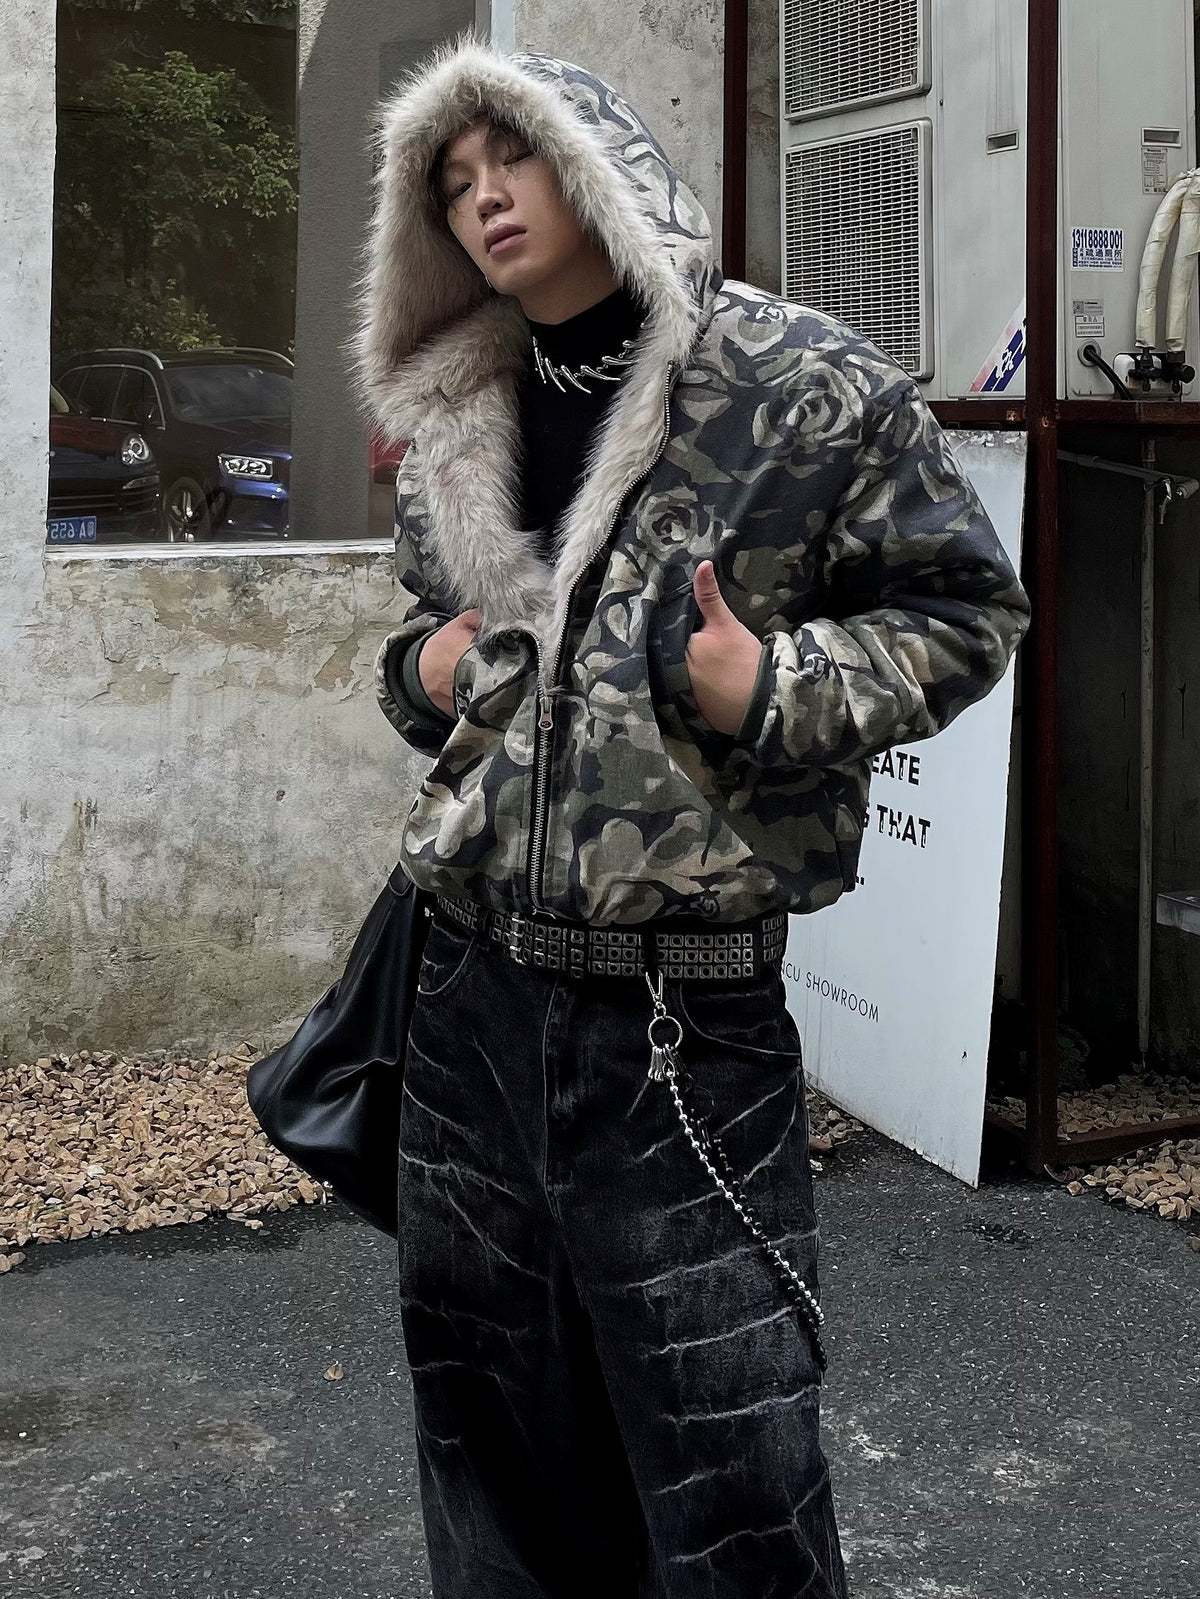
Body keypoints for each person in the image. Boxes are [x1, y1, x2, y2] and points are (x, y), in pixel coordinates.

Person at [353, 35, 1029, 1599]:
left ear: (596, 161)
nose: (484, 197)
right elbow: (435, 647)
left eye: (512, 155)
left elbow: (966, 611)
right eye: (452, 183)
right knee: (490, 1446)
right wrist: (421, 670)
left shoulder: (798, 380)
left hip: (679, 1022)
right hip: (464, 1006)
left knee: (731, 1473)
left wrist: (770, 684)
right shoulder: (459, 412)